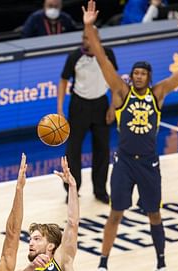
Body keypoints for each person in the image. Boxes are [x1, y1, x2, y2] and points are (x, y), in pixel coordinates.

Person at [81, 0, 178, 271]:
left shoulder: (158, 94)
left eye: (144, 73)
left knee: (155, 216)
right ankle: (102, 268)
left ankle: (161, 266)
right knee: (115, 215)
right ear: (131, 77)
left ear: (150, 77)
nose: (139, 76)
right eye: (136, 73)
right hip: (124, 163)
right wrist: (90, 27)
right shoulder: (121, 93)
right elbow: (102, 59)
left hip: (149, 163)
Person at [13, 156, 79, 271]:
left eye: (37, 239)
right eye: (30, 239)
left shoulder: (62, 263)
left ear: (50, 246)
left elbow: (72, 224)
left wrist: (72, 187)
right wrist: (31, 267)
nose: (31, 243)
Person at [57, 32, 118, 204]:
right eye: (84, 38)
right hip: (79, 106)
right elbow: (63, 81)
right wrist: (60, 108)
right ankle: (72, 191)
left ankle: (100, 190)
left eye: (89, 38)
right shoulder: (75, 56)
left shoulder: (108, 54)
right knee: (73, 150)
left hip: (101, 104)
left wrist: (113, 106)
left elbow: (115, 81)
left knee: (102, 149)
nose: (86, 41)